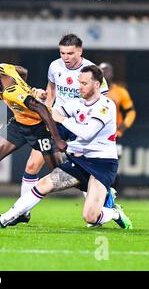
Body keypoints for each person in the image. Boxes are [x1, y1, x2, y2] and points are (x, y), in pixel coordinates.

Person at [0, 65, 133, 230]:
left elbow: (87, 133)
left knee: (90, 217)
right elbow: (51, 112)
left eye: (84, 83)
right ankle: (3, 220)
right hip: (79, 161)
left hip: (102, 165)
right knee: (43, 184)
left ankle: (114, 213)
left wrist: (63, 120)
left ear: (97, 85)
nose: (79, 87)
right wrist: (36, 97)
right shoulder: (76, 103)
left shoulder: (105, 105)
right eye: (79, 82)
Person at [0, 61, 67, 227]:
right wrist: (28, 88)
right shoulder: (1, 68)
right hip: (18, 124)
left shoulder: (12, 92)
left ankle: (103, 196)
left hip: (40, 128)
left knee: (60, 175)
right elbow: (23, 70)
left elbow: (43, 110)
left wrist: (58, 139)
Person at [20, 34, 115, 215]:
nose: (65, 57)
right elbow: (51, 89)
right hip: (57, 123)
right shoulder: (55, 66)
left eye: (70, 53)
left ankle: (103, 197)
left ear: (80, 52)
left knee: (76, 172)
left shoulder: (91, 73)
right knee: (32, 165)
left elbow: (103, 101)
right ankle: (23, 214)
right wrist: (45, 103)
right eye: (62, 53)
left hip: (80, 127)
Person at [99, 62, 136, 192]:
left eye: (107, 70)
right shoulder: (93, 90)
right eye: (101, 70)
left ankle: (111, 193)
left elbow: (131, 111)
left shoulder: (120, 91)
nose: (104, 73)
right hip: (95, 135)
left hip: (114, 135)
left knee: (111, 165)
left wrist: (124, 126)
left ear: (112, 73)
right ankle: (98, 193)